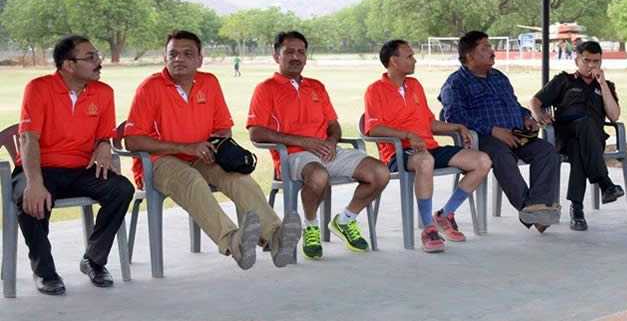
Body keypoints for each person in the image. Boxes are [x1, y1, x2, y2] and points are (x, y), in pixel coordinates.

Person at [124, 30, 301, 271]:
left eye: (187, 54)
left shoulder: (209, 83)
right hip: (159, 161)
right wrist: (185, 147)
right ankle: (232, 241)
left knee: (240, 179)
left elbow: (223, 129)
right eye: (173, 54)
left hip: (202, 156)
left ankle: (275, 238)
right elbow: (132, 140)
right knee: (192, 180)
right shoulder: (151, 87)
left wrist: (215, 145)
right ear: (165, 58)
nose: (179, 59)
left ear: (200, 59)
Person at [248, 31, 389, 260]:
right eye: (289, 52)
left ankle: (345, 220)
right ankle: (310, 225)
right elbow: (256, 131)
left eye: (301, 52)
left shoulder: (316, 87)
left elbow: (334, 125)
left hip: (326, 151)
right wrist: (302, 141)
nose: (296, 57)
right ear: (276, 56)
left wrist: (331, 141)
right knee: (319, 176)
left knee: (380, 172)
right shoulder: (266, 88)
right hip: (292, 156)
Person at [12, 35, 134, 295]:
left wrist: (104, 144)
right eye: (90, 58)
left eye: (97, 56)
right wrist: (34, 183)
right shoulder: (39, 88)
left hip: (81, 169)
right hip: (40, 168)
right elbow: (27, 137)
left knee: (121, 189)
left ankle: (94, 260)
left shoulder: (104, 92)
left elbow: (104, 134)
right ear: (68, 65)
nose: (98, 62)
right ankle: (44, 272)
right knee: (30, 199)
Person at [364, 40, 491, 252]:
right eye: (410, 56)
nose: (415, 60)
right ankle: (428, 228)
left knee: (482, 161)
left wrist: (457, 127)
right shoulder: (374, 90)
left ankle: (445, 214)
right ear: (394, 61)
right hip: (399, 153)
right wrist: (407, 135)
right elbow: (373, 129)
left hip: (428, 147)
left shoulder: (415, 86)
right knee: (425, 161)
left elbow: (429, 123)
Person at [439, 31, 560, 233]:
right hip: (482, 140)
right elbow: (454, 117)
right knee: (501, 154)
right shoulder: (455, 83)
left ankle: (537, 206)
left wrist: (526, 117)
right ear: (469, 55)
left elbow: (513, 104)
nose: (492, 52)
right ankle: (530, 209)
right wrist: (493, 131)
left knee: (547, 151)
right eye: (485, 48)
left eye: (490, 47)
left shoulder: (499, 77)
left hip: (515, 134)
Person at [530, 40, 625, 231]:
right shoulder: (564, 81)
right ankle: (604, 183)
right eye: (587, 60)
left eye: (596, 61)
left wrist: (603, 84)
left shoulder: (606, 85)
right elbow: (535, 101)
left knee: (579, 148)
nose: (591, 65)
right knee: (582, 124)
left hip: (592, 140)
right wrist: (539, 115)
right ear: (577, 61)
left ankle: (577, 209)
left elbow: (614, 116)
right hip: (565, 133)